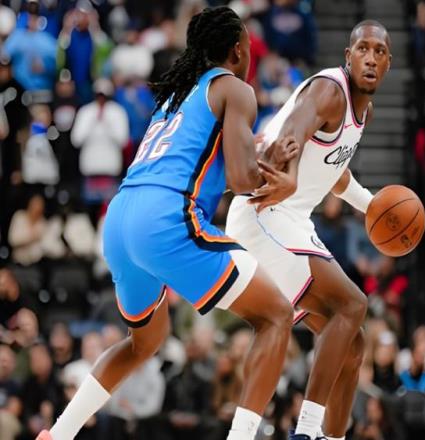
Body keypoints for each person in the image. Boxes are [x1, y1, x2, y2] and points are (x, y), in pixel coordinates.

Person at [36, 6, 297, 440]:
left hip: (120, 218)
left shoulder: (177, 95)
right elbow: (240, 179)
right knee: (276, 315)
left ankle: (58, 435)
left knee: (143, 343)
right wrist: (279, 182)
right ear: (238, 50)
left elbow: (204, 160)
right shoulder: (236, 89)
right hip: (165, 218)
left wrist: (260, 157)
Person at [227, 20, 393, 440]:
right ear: (348, 56)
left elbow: (334, 172)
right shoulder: (329, 91)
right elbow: (290, 134)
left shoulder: (363, 112)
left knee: (353, 345)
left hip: (291, 219)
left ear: (388, 63)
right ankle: (306, 431)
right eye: (363, 49)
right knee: (353, 304)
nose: (370, 58)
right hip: (263, 210)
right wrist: (289, 175)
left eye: (379, 52)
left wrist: (371, 206)